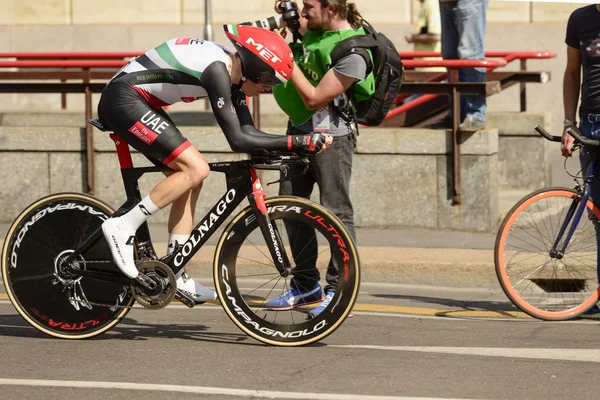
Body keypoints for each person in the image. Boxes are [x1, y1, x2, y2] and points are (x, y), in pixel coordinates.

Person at [97, 25, 332, 304]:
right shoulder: (217, 70)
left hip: (141, 102)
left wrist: (295, 145)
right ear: (255, 70)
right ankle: (123, 225)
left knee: (191, 177)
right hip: (123, 99)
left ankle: (175, 266)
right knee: (196, 168)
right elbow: (238, 140)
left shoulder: (233, 78)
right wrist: (298, 142)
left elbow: (250, 133)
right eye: (269, 80)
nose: (268, 88)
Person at [263, 0, 374, 318]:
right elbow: (291, 20)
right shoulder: (314, 27)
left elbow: (314, 98)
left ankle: (341, 290)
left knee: (336, 211)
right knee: (290, 205)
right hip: (298, 132)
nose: (304, 13)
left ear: (331, 8)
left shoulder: (353, 49)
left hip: (334, 138)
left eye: (309, 6)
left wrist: (283, 57)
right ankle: (305, 285)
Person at [561, 4, 600, 317]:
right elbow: (572, 71)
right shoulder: (581, 18)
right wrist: (568, 124)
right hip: (591, 125)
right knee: (598, 215)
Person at [433, 0, 488, 131]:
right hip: (445, 2)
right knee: (450, 56)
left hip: (469, 2)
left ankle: (476, 115)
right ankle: (458, 113)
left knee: (470, 55)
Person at [405, 0, 443, 72]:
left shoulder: (431, 4)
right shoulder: (426, 4)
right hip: (425, 67)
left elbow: (436, 36)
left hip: (432, 68)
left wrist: (413, 38)